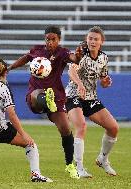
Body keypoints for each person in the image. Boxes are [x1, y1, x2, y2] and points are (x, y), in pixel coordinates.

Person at [7, 26, 82, 179]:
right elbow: (25, 58)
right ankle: (45, 99)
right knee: (36, 95)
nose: (50, 42)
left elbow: (74, 58)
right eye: (47, 39)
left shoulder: (62, 52)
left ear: (59, 40)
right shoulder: (37, 50)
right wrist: (10, 67)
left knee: (66, 129)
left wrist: (79, 56)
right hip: (35, 93)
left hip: (57, 97)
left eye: (53, 39)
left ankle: (70, 165)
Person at [0, 58, 53, 182]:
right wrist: (23, 134)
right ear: (4, 73)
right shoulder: (3, 88)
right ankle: (35, 174)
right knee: (30, 144)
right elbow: (12, 115)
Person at [65, 26, 119, 178]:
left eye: (96, 39)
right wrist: (80, 84)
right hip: (73, 96)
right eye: (90, 38)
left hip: (90, 98)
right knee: (81, 126)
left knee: (113, 128)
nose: (92, 41)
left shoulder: (103, 58)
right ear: (86, 39)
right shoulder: (81, 53)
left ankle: (103, 159)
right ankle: (79, 168)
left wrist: (106, 82)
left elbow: (103, 80)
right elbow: (71, 71)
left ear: (102, 42)